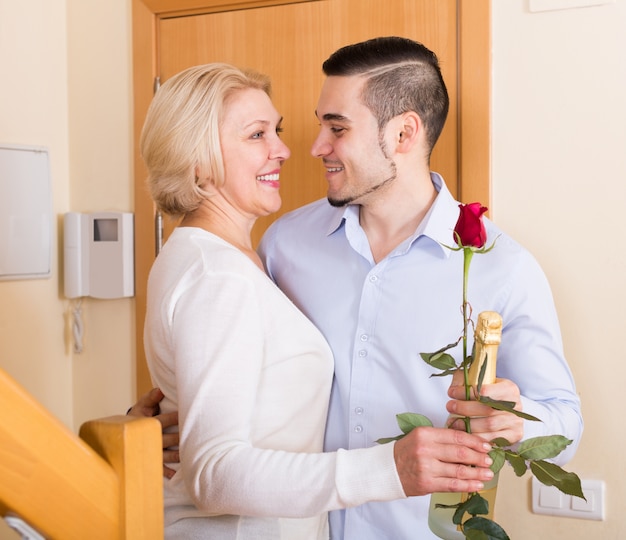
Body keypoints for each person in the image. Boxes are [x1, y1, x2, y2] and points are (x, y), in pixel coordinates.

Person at [132, 37, 583, 539]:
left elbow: (565, 422)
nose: (312, 145)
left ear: (404, 132)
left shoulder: (504, 268)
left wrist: (514, 419)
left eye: (337, 128)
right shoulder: (284, 243)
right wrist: (159, 424)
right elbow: (228, 367)